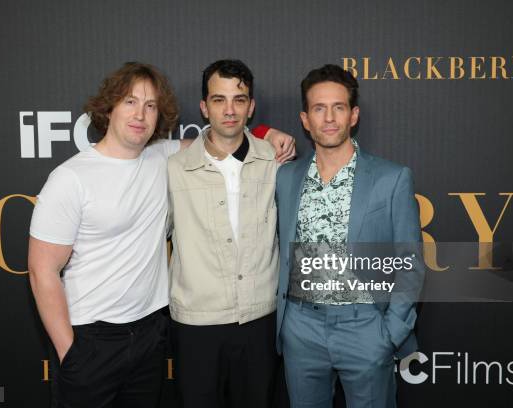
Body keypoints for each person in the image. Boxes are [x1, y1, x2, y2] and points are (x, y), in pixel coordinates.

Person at [27, 61, 294, 408]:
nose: (140, 114)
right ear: (109, 107)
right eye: (130, 102)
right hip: (91, 336)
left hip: (150, 337)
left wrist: (265, 133)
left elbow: (221, 139)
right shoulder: (71, 178)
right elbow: (41, 270)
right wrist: (71, 353)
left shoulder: (161, 157)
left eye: (150, 105)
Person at [275, 64, 424, 408]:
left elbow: (410, 262)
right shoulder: (287, 177)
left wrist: (389, 334)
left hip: (365, 327)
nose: (329, 118)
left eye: (338, 107)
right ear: (305, 118)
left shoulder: (391, 177)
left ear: (353, 115)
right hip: (301, 327)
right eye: (319, 108)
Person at [167, 59, 282, 408]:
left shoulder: (276, 162)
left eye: (239, 99)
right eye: (219, 100)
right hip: (196, 324)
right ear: (204, 107)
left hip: (260, 318)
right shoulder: (173, 168)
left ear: (252, 106)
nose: (229, 110)